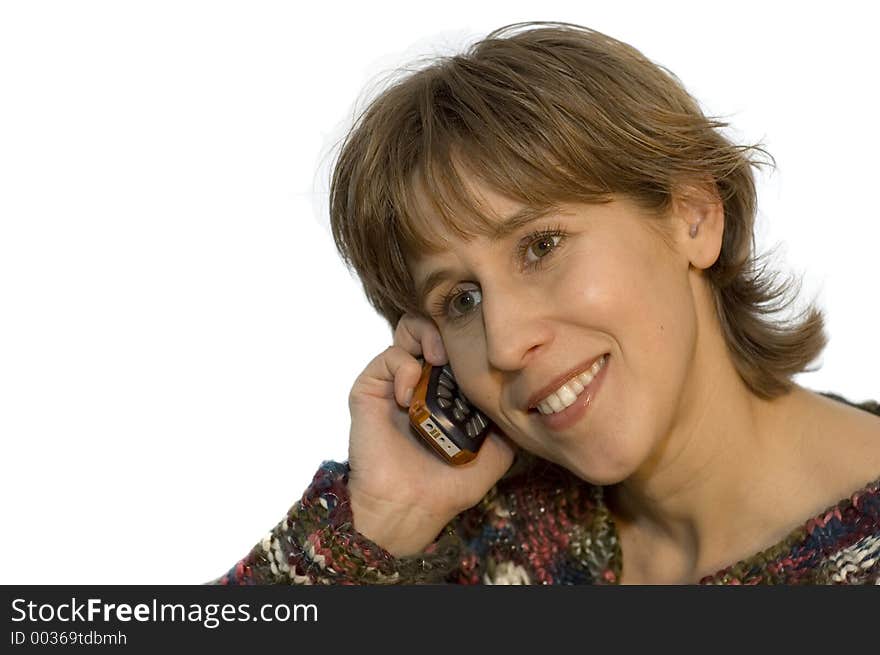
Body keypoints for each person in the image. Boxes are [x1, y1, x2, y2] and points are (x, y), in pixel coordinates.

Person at [209, 21, 880, 585]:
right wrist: (382, 519)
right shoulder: (475, 543)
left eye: (541, 245)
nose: (504, 342)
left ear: (694, 215)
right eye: (461, 298)